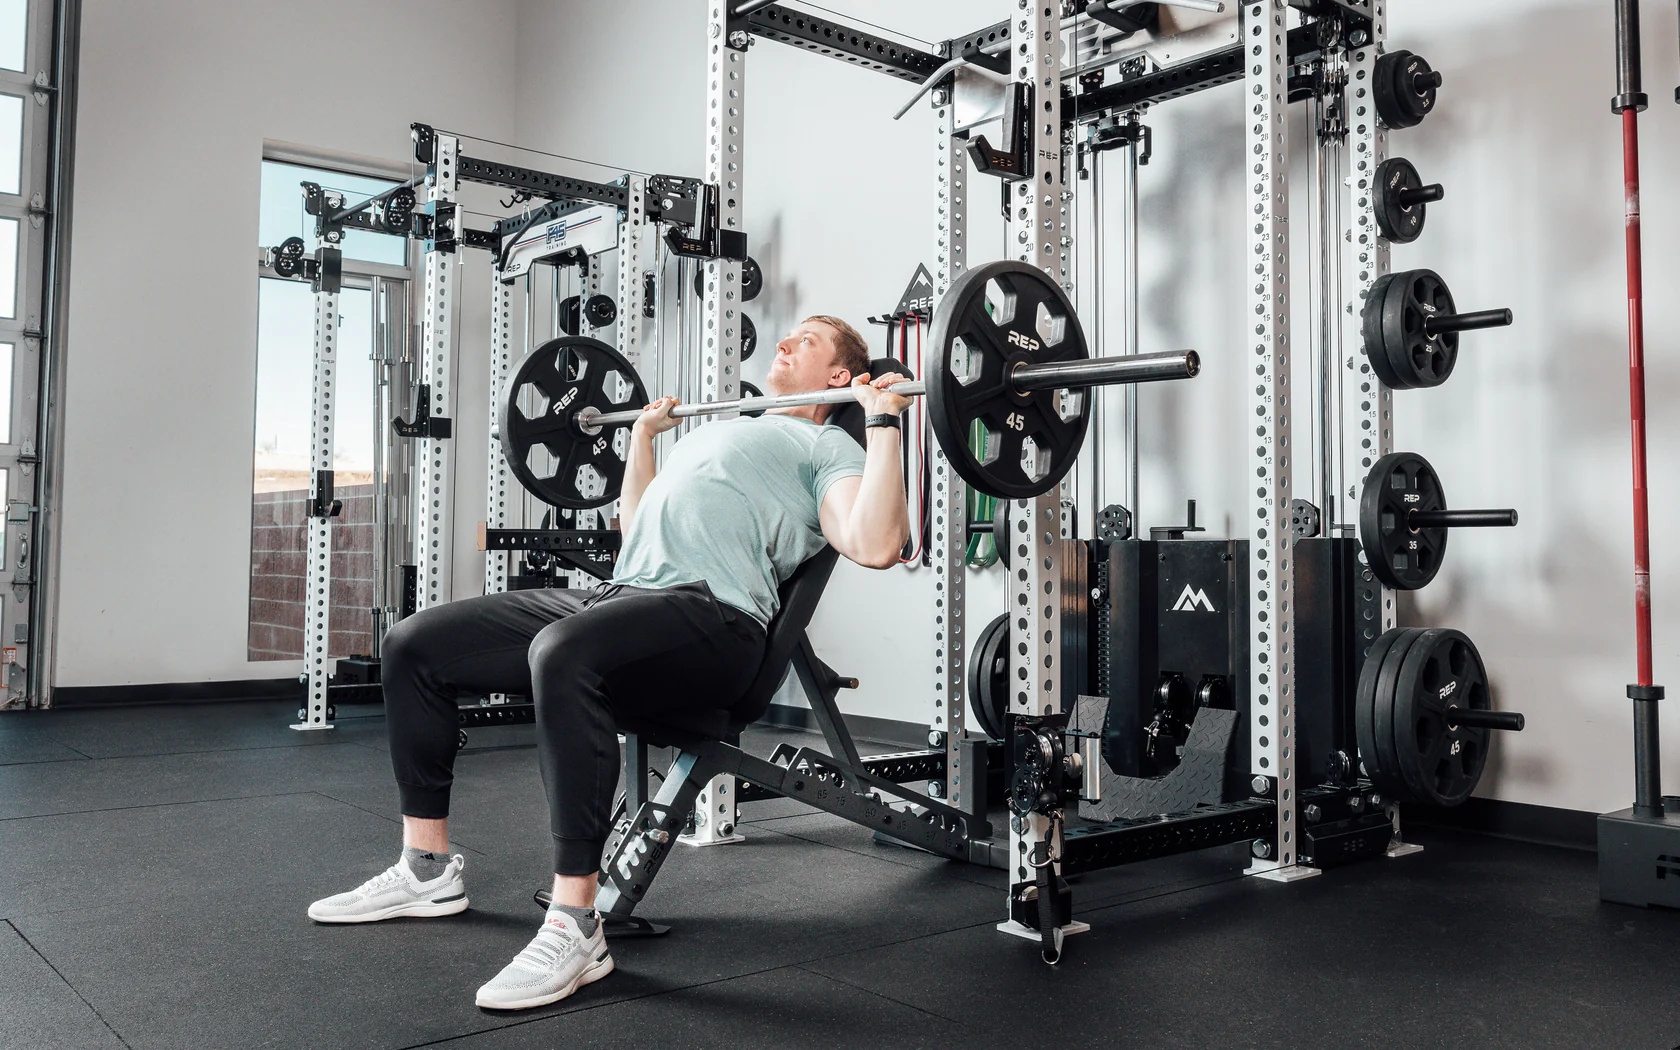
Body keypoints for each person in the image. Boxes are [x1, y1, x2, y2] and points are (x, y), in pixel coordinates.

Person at [307, 314, 912, 1011]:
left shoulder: (827, 447)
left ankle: (576, 922)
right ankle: (426, 869)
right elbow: (637, 526)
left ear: (839, 375)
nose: (784, 342)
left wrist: (883, 422)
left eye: (807, 340)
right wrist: (643, 439)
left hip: (714, 617)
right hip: (624, 594)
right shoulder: (719, 430)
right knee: (414, 645)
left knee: (561, 652)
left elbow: (874, 542)